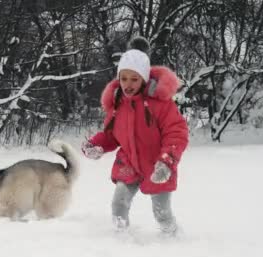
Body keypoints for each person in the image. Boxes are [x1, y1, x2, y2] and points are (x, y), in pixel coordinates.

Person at [81, 36, 189, 236]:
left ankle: (173, 238)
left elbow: (177, 133)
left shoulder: (161, 103)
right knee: (118, 204)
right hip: (129, 162)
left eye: (134, 79)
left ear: (144, 79)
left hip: (157, 165)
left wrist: (167, 162)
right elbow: (111, 135)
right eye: (123, 78)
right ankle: (120, 239)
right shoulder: (118, 104)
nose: (128, 84)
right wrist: (97, 145)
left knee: (162, 213)